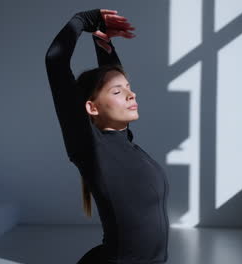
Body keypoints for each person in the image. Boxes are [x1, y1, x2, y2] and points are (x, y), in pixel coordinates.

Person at [44, 8, 170, 264]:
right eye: (117, 92)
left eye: (129, 88)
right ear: (91, 107)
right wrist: (82, 20)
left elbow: (113, 76)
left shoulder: (126, 142)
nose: (131, 94)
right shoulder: (90, 146)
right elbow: (55, 61)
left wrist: (102, 38)